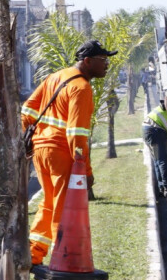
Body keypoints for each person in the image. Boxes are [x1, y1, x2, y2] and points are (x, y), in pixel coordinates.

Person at [21, 39, 116, 266]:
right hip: (61, 152)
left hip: (41, 150)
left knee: (49, 203)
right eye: (103, 61)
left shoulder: (55, 77)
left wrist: (35, 138)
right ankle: (61, 260)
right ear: (87, 61)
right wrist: (87, 170)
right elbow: (76, 134)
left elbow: (27, 111)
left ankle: (34, 254)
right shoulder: (81, 88)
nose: (106, 65)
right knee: (62, 208)